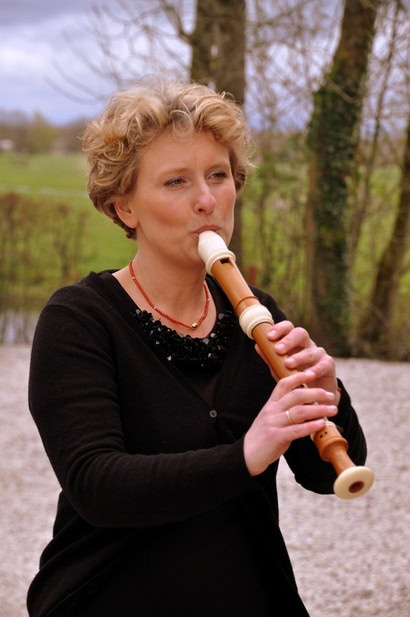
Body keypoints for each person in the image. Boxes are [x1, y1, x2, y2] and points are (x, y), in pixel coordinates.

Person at [27, 78, 368, 617]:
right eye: (176, 182)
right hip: (109, 598)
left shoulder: (256, 312)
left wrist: (328, 398)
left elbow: (327, 477)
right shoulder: (79, 320)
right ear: (125, 207)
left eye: (218, 175)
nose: (207, 200)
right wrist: (245, 455)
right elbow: (97, 486)